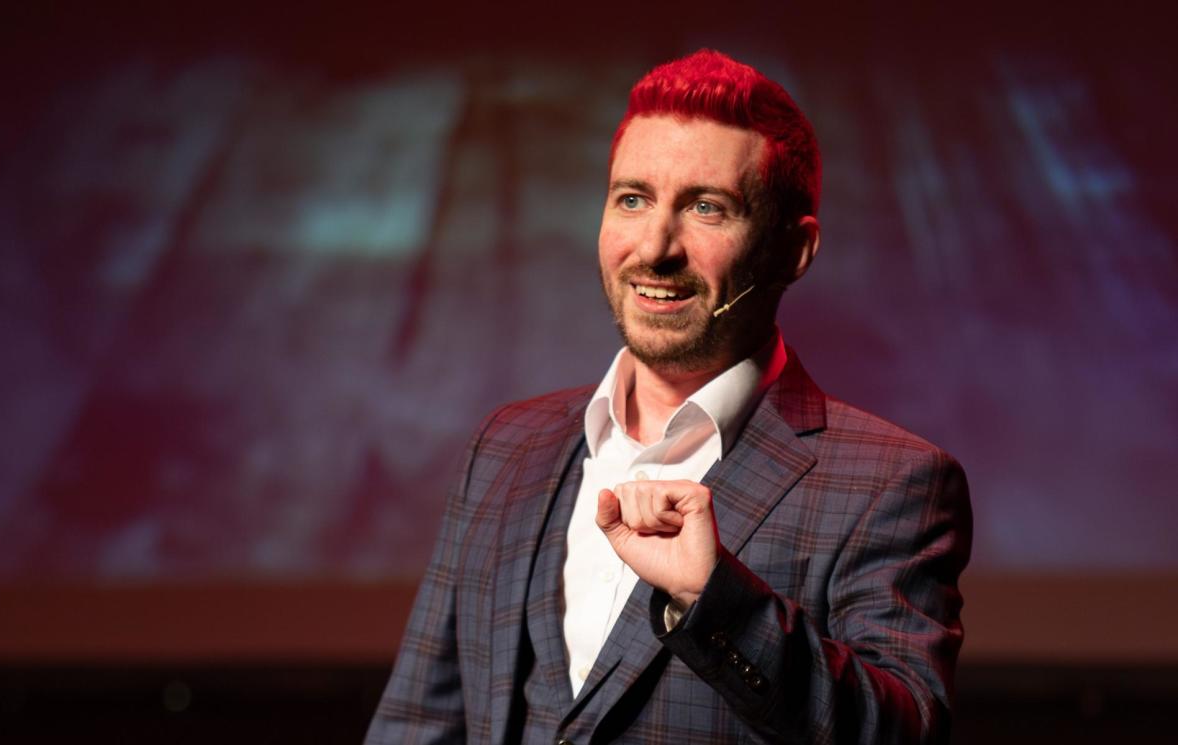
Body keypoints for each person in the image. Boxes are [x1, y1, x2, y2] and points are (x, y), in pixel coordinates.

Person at [366, 49, 972, 744]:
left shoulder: (894, 483)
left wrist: (715, 597)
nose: (654, 247)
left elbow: (903, 733)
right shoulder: (506, 446)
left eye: (706, 207)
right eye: (633, 199)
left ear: (792, 251)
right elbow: (417, 724)